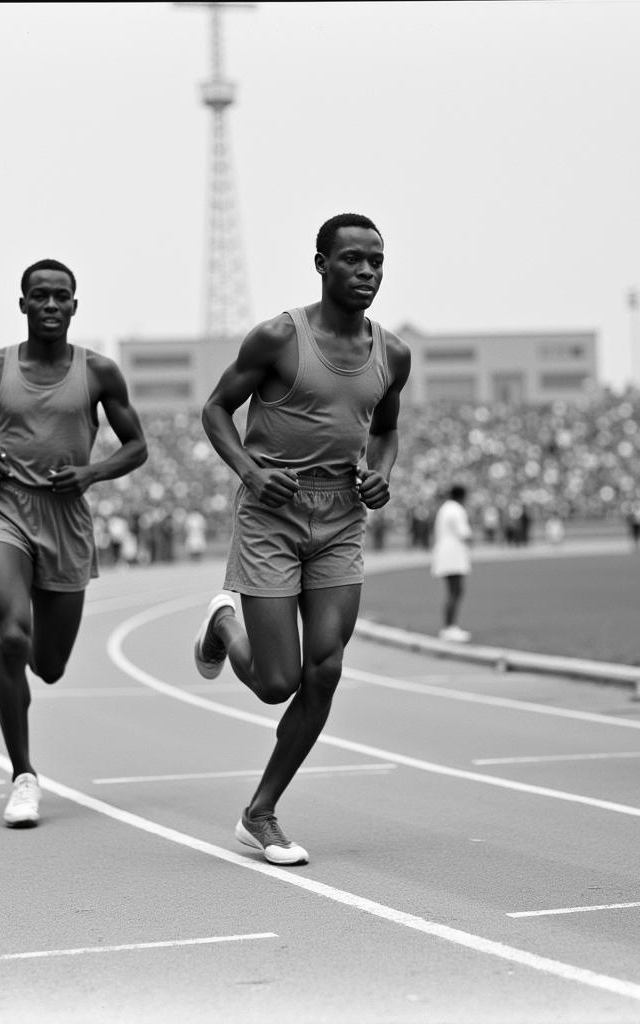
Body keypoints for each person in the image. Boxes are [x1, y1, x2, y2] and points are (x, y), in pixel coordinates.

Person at [193, 212, 411, 865]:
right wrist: (251, 472)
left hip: (342, 516)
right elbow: (214, 409)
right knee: (275, 682)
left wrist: (383, 474)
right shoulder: (278, 339)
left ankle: (260, 812)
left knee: (326, 668)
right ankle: (223, 627)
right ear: (321, 264)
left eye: (376, 260)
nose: (366, 271)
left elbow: (388, 430)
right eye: (352, 259)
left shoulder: (392, 353)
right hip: (272, 515)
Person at [0, 258, 147, 827]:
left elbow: (136, 446)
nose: (51, 305)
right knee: (13, 634)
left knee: (48, 666)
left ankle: (4, 656)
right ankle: (23, 776)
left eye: (61, 297)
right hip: (3, 511)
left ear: (75, 306)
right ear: (23, 304)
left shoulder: (99, 373)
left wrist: (92, 473)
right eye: (40, 296)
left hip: (66, 518)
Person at [430, 483, 473, 642]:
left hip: (445, 552)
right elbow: (464, 533)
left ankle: (449, 626)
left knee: (453, 591)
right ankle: (450, 627)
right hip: (453, 554)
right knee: (456, 591)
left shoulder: (445, 508)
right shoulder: (457, 510)